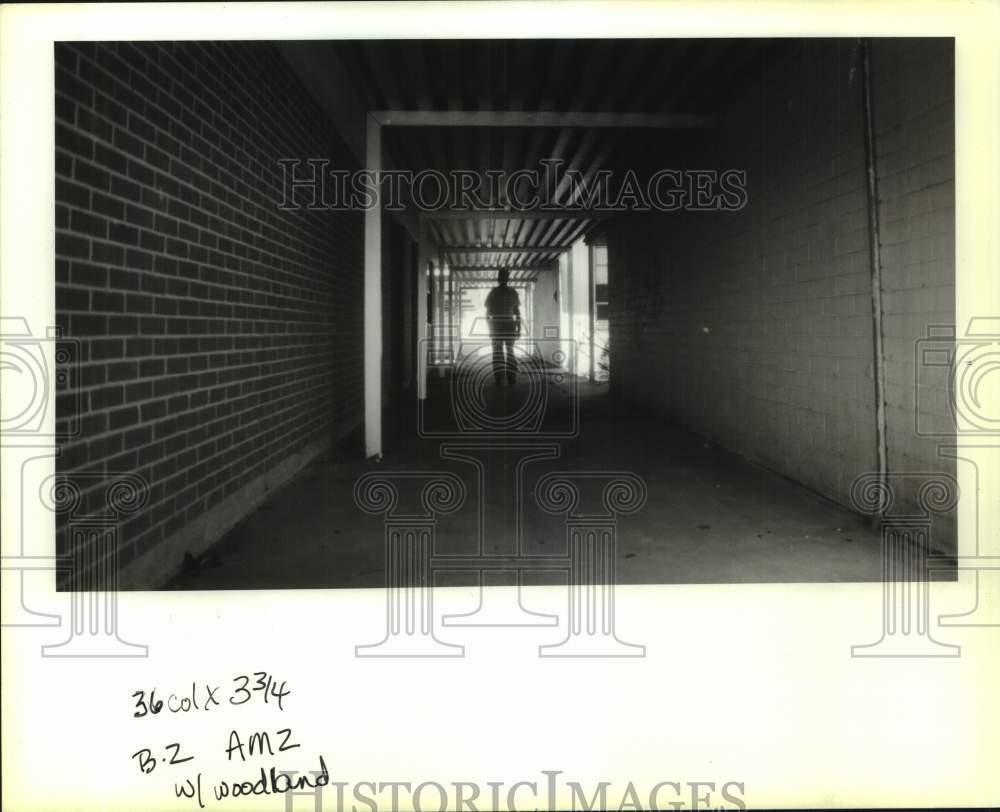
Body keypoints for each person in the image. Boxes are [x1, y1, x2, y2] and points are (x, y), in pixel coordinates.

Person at [484, 269, 521, 386]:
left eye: (506, 276)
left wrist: (519, 328)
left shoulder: (513, 292)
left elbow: (517, 312)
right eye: (502, 276)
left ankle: (511, 377)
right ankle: (499, 378)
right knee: (498, 353)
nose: (504, 279)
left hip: (510, 327)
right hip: (497, 327)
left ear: (508, 278)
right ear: (498, 278)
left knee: (510, 352)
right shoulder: (493, 293)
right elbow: (487, 314)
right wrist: (490, 329)